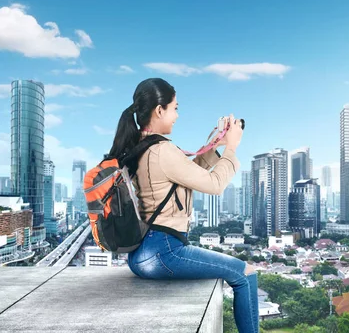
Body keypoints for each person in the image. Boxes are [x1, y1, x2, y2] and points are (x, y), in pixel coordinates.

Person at [108, 78, 258, 333]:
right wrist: (232, 148)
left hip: (141, 253)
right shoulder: (162, 151)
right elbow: (214, 184)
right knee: (245, 273)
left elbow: (188, 174)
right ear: (159, 110)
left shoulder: (142, 147)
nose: (177, 115)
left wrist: (217, 142)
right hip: (164, 251)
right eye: (175, 108)